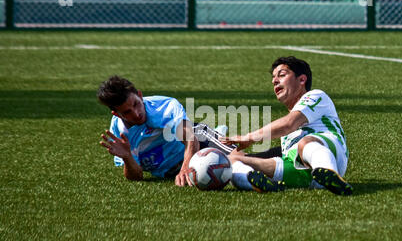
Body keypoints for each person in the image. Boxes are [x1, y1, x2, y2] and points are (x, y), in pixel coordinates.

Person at [221, 56, 353, 196]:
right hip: (298, 171)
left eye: (282, 75)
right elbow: (279, 150)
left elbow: (289, 124)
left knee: (305, 143)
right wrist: (246, 156)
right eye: (273, 78)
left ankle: (328, 173)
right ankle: (251, 180)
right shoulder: (287, 136)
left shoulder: (316, 96)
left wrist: (250, 137)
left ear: (302, 80)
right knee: (229, 161)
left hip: (331, 155)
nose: (274, 81)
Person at [97, 76, 235, 186]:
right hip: (169, 171)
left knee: (237, 160)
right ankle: (219, 133)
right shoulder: (118, 132)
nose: (136, 113)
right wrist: (127, 157)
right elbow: (136, 176)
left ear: (140, 95)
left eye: (136, 104)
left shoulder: (165, 106)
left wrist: (186, 168)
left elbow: (190, 138)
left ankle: (217, 137)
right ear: (116, 114)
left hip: (197, 140)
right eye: (127, 112)